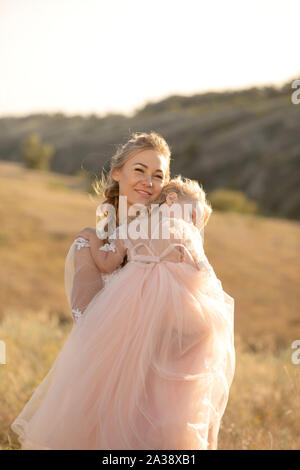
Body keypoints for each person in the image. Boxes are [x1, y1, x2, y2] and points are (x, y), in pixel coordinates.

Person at [10, 174, 235, 450]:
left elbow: (106, 263)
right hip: (176, 311)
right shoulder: (183, 230)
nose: (194, 225)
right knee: (176, 376)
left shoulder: (133, 227)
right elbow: (204, 272)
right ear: (173, 200)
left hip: (128, 308)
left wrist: (92, 240)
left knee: (121, 376)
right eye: (193, 215)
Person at [65, 131, 171, 323]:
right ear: (117, 172)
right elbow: (85, 320)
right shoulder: (90, 243)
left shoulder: (169, 239)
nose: (148, 182)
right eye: (139, 170)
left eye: (157, 176)